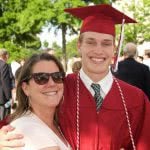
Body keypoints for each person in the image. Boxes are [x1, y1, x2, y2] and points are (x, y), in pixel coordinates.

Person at [0, 4, 150, 150]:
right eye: (90, 42)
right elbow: (25, 118)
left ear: (114, 49)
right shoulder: (58, 88)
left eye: (106, 43)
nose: (98, 50)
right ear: (79, 45)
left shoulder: (135, 99)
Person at [1, 53, 71, 150]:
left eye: (57, 76)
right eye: (41, 78)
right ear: (25, 88)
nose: (52, 83)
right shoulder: (28, 129)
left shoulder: (56, 123)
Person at [0, 49, 12, 120]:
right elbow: (5, 81)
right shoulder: (4, 65)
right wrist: (9, 97)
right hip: (2, 98)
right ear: (5, 55)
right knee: (3, 118)